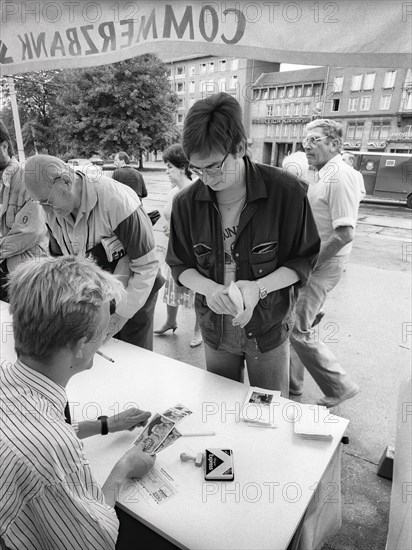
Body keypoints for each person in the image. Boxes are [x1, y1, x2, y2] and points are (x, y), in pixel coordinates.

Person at [166, 93, 320, 397]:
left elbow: (303, 260)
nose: (206, 179)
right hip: (215, 328)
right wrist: (209, 290)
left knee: (271, 412)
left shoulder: (286, 192)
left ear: (240, 146)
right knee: (222, 411)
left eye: (213, 167)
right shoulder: (186, 202)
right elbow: (179, 264)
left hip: (268, 327)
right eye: (197, 169)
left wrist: (258, 288)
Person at [0, 255, 155, 550]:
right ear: (81, 345)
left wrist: (108, 424)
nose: (106, 338)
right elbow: (95, 542)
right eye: (106, 332)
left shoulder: (7, 379)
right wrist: (124, 467)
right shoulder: (51, 449)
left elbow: (29, 430)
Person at [24, 154, 164, 350]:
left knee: (132, 355)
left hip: (137, 289)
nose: (47, 211)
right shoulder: (53, 212)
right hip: (98, 294)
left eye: (47, 202)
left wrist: (119, 317)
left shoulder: (117, 201)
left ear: (66, 180)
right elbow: (62, 262)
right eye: (41, 204)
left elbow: (146, 266)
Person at [289, 119, 362, 407]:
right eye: (305, 139)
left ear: (334, 144)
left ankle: (339, 386)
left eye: (315, 139)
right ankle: (292, 385)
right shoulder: (321, 173)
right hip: (313, 263)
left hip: (321, 266)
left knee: (296, 330)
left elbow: (344, 233)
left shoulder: (339, 176)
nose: (307, 144)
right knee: (294, 326)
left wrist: (310, 266)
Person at [154, 144, 202, 348]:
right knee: (172, 283)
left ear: (182, 168)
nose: (166, 172)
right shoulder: (174, 191)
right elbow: (170, 219)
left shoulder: (197, 190)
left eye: (169, 168)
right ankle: (170, 321)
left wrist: (174, 231)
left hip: (194, 252)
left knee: (198, 290)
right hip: (174, 247)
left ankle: (199, 331)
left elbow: (201, 226)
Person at [0, 121, 48, 300]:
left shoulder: (27, 180)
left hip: (23, 276)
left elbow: (31, 232)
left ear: (4, 146)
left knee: (22, 325)